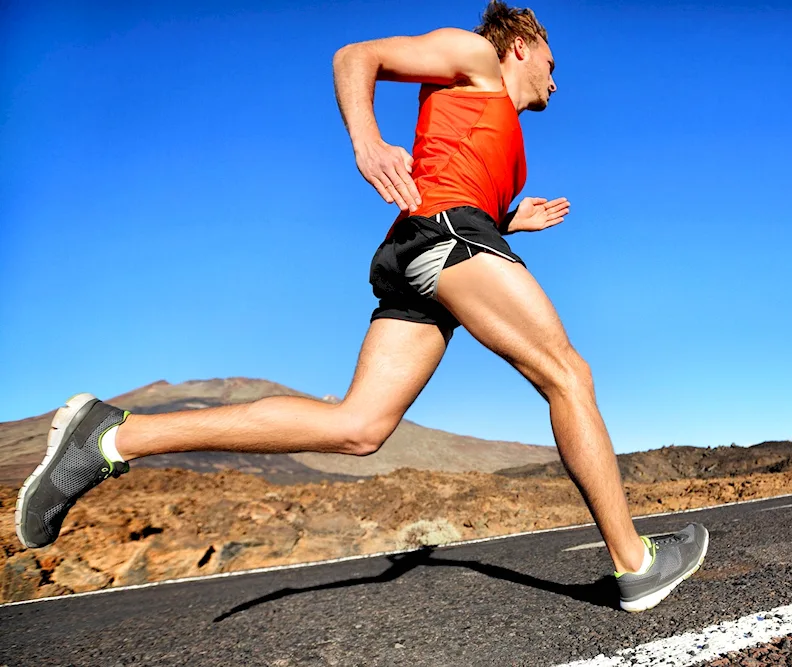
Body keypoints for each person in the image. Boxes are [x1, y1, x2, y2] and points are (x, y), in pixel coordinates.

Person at [14, 1, 707, 612]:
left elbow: (457, 171)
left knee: (358, 425)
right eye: (553, 62)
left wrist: (507, 217)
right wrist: (368, 142)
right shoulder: (477, 59)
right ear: (519, 43)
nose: (556, 80)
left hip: (432, 247)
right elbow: (358, 55)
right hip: (447, 234)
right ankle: (637, 564)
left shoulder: (505, 141)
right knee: (568, 374)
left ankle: (111, 436)